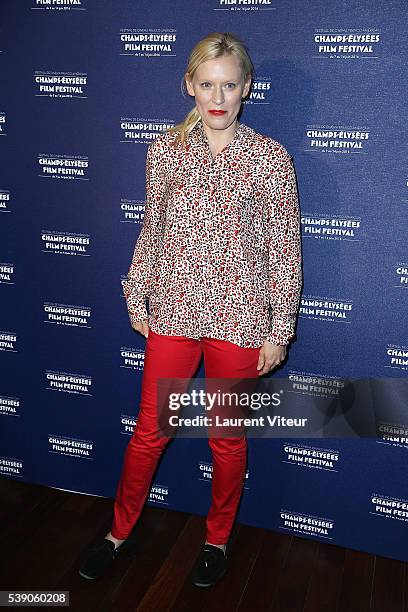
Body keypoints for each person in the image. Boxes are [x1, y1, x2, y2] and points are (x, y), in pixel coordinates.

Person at [79, 31, 303, 588]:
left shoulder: (272, 160)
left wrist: (279, 330)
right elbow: (152, 229)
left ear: (247, 87)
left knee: (226, 437)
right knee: (150, 430)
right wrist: (139, 293)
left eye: (229, 85)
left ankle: (217, 540)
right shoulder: (164, 152)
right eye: (207, 85)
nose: (218, 96)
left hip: (240, 319)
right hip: (175, 314)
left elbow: (284, 252)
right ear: (189, 85)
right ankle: (117, 533)